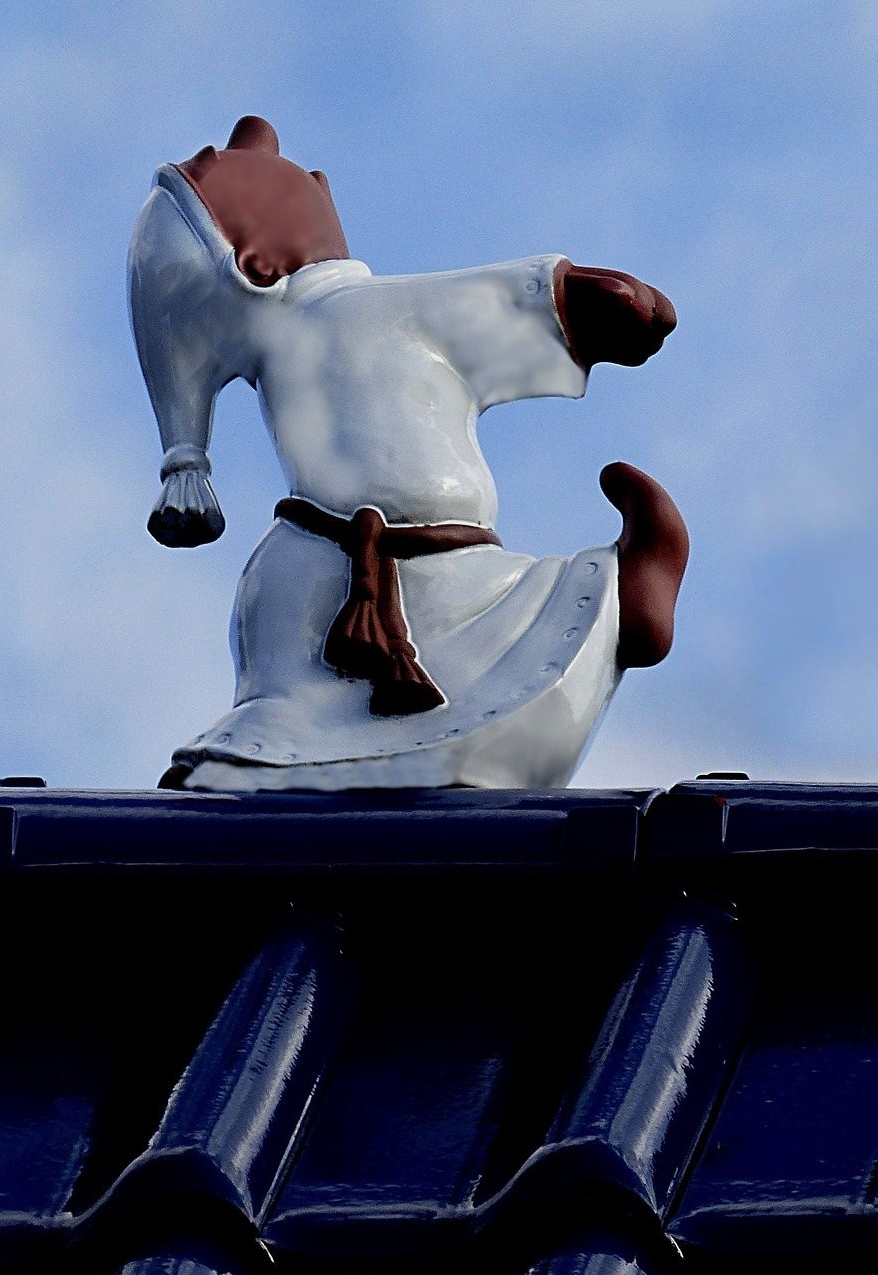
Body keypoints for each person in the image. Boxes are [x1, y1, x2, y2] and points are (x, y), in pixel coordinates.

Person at [130, 116, 688, 791]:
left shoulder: (367, 312)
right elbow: (508, 305)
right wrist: (590, 301)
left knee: (469, 650)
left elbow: (500, 308)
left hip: (392, 561)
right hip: (348, 554)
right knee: (291, 682)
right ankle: (263, 752)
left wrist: (583, 303)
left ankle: (622, 597)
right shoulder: (334, 324)